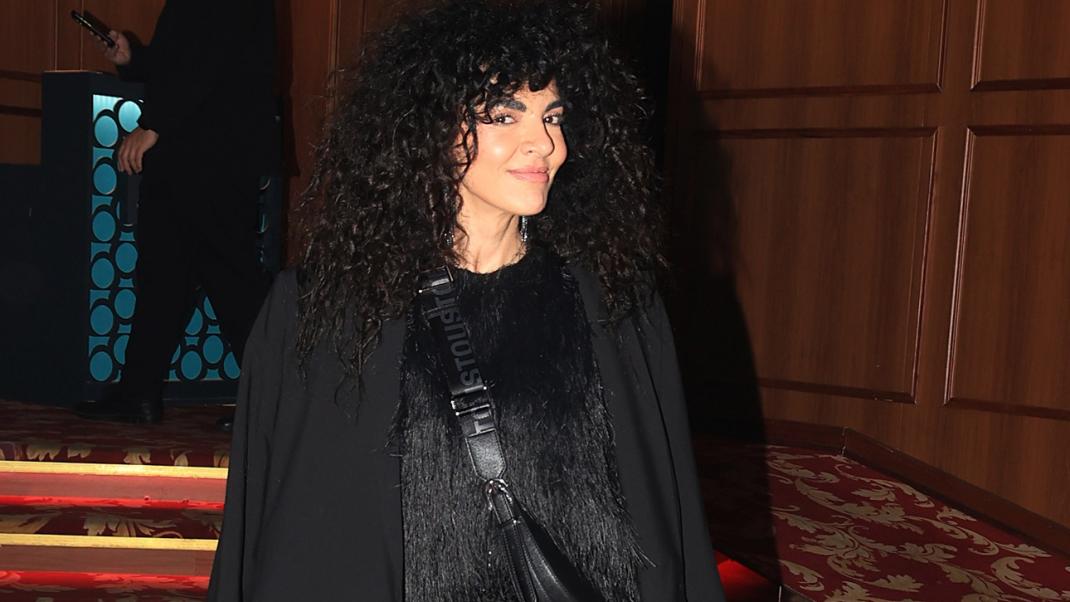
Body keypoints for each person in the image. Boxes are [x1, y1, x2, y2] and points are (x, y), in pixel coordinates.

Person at [208, 1, 726, 600]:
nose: (544, 144)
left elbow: (666, 512)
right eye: (504, 117)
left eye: (553, 117)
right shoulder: (328, 312)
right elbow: (295, 533)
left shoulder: (612, 303)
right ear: (430, 129)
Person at [75, 2, 276, 424]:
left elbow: (210, 57)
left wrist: (154, 123)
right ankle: (139, 392)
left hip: (212, 152)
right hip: (193, 150)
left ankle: (273, 406)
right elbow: (186, 57)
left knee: (231, 278)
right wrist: (134, 58)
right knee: (164, 275)